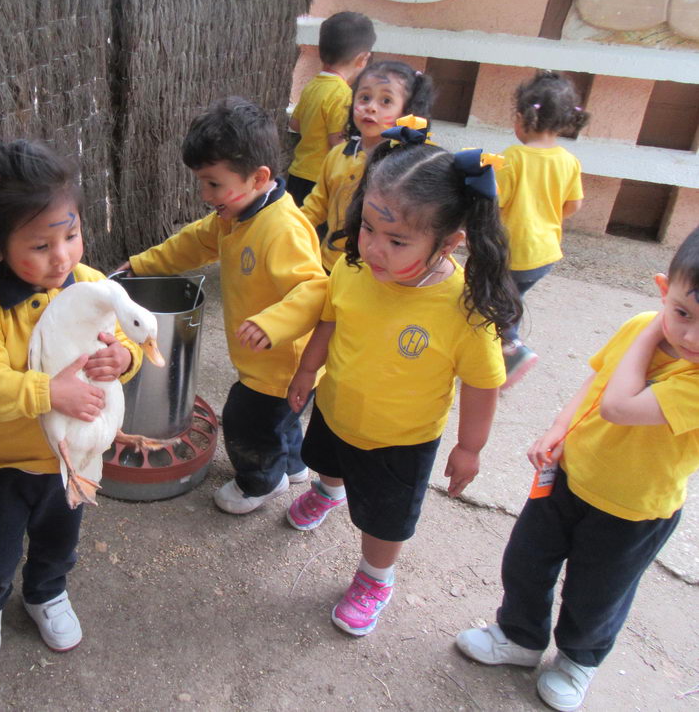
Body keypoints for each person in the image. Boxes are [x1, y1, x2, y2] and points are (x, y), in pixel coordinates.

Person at [284, 128, 521, 638]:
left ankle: (375, 578)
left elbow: (482, 385)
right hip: (335, 407)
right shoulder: (353, 268)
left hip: (401, 441)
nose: (373, 248)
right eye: (367, 227)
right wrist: (307, 370)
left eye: (396, 240)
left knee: (383, 523)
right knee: (326, 460)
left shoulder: (464, 311)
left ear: (449, 243)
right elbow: (330, 319)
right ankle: (328, 491)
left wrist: (470, 447)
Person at [455, 226, 699, 712]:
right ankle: (519, 635)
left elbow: (619, 406)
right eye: (683, 313)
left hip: (633, 510)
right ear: (662, 290)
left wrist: (657, 328)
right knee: (526, 560)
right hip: (566, 477)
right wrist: (559, 427)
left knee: (597, 593)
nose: (691, 335)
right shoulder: (639, 327)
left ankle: (578, 660)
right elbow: (597, 381)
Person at [0, 139, 143, 663]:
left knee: (59, 541)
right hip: (4, 462)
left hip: (72, 462)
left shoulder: (94, 288)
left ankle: (46, 592)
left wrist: (123, 360)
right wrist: (46, 391)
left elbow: (126, 339)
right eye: (40, 246)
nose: (63, 257)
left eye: (72, 235)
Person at [118, 97, 327, 515]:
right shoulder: (236, 214)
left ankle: (259, 483)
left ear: (258, 177)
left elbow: (315, 290)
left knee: (248, 421)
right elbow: (193, 242)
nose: (204, 194)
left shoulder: (280, 228)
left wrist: (273, 323)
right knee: (283, 420)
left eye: (213, 183)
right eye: (202, 182)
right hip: (269, 356)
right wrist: (141, 265)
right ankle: (293, 464)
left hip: (280, 360)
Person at [497, 70, 590, 387]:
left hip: (514, 252)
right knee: (512, 298)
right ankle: (503, 346)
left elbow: (495, 202)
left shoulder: (513, 157)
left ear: (522, 118)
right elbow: (574, 205)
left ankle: (512, 349)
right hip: (545, 253)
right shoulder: (568, 160)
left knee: (491, 298)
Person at [301, 61, 435, 271]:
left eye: (386, 100)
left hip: (378, 270)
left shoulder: (409, 165)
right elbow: (316, 205)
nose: (371, 107)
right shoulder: (338, 154)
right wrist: (288, 227)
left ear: (406, 112)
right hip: (329, 265)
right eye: (364, 97)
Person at [287, 11, 375, 206]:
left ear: (320, 50)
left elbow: (295, 123)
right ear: (363, 59)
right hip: (320, 180)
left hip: (297, 172)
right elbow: (336, 141)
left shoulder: (312, 85)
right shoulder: (342, 94)